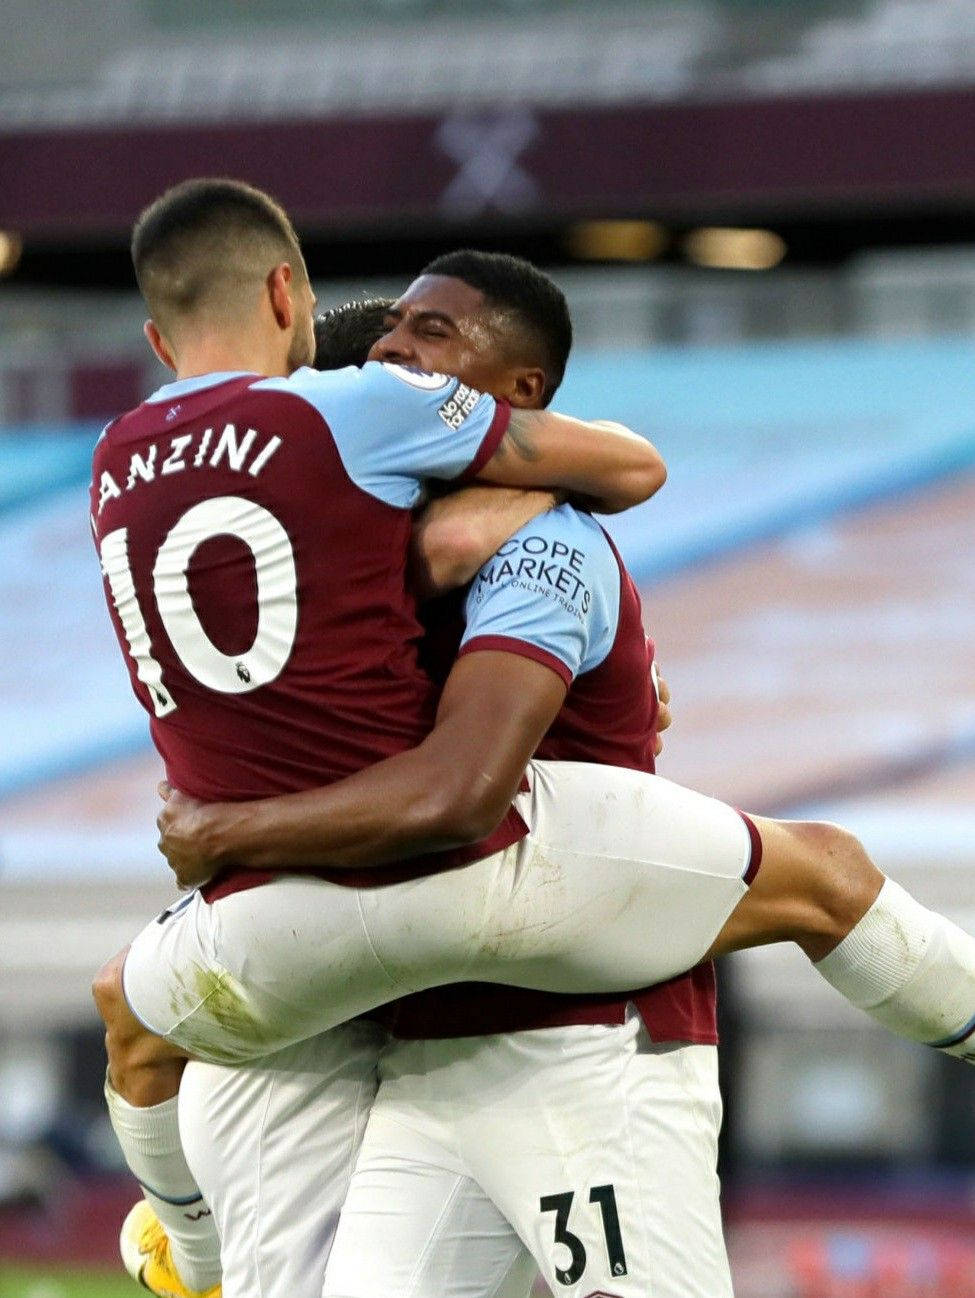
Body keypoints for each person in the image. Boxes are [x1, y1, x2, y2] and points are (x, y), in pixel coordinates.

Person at [97, 179, 975, 1289]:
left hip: (586, 1023)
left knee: (822, 873)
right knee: (135, 1009)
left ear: (510, 400)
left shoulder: (540, 539)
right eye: (385, 348)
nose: (396, 367)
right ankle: (186, 1244)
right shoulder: (354, 549)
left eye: (433, 337)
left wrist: (229, 826)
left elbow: (458, 786)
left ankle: (184, 1240)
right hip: (426, 1035)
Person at [89, 177, 665, 1297]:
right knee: (805, 877)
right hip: (419, 887)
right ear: (282, 288)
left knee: (132, 1012)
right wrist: (535, 503)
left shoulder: (117, 450)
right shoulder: (356, 417)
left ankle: (181, 1248)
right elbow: (630, 465)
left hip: (249, 906)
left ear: (158, 338)